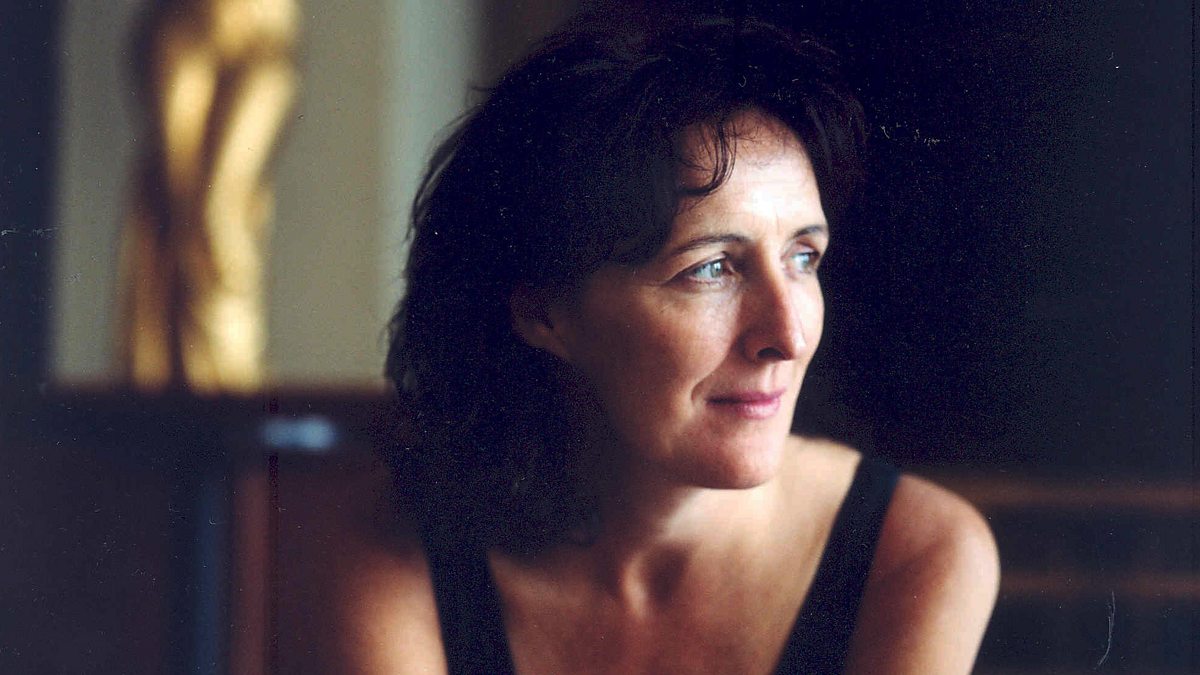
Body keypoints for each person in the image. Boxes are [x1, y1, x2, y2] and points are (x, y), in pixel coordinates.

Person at [327, 13, 998, 674]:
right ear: (543, 311)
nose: (789, 336)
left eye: (803, 257)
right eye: (711, 268)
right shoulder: (398, 542)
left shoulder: (914, 549)